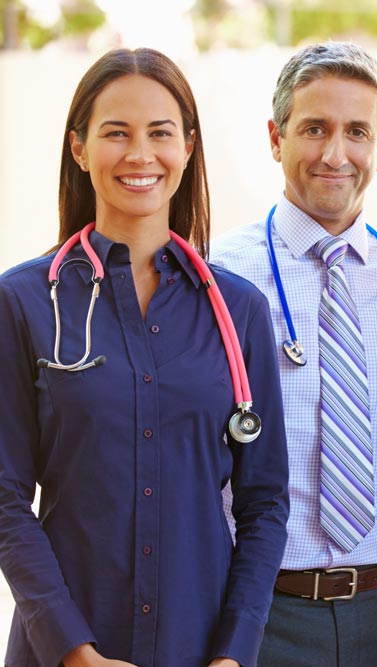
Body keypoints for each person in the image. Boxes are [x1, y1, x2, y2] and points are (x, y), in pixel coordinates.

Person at [0, 48, 289, 667]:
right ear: (79, 148)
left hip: (200, 647)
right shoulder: (22, 302)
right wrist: (72, 650)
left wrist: (235, 653)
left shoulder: (238, 311)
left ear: (187, 147)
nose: (140, 154)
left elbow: (265, 504)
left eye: (160, 133)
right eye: (116, 133)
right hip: (63, 650)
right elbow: (3, 497)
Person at [211, 41, 377, 667]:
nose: (335, 154)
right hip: (257, 616)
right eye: (314, 129)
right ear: (276, 138)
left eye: (357, 131)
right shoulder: (216, 277)